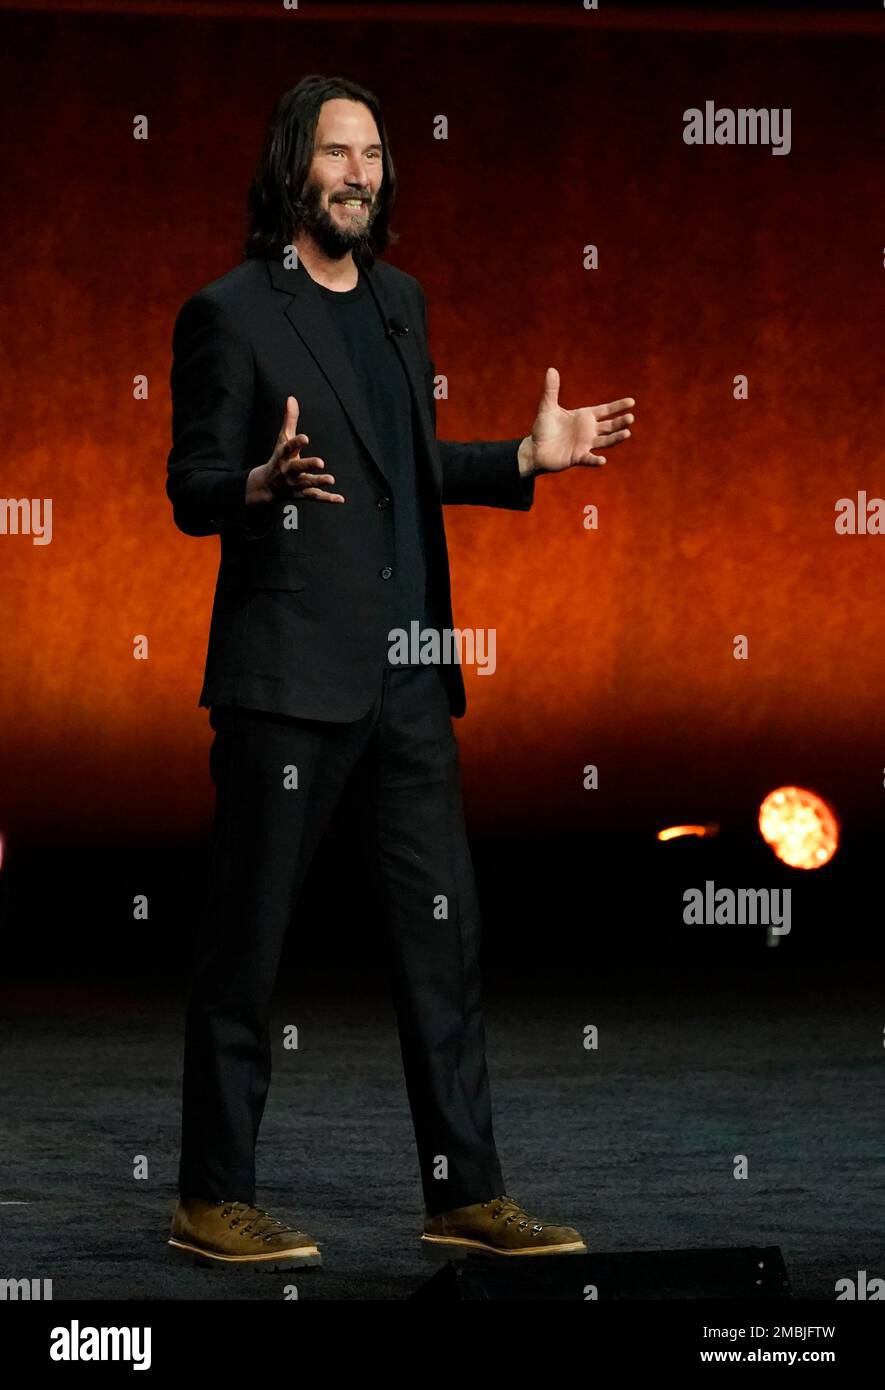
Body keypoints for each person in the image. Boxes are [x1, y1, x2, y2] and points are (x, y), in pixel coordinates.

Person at [165, 74, 635, 1271]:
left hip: (409, 681)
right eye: (338, 152)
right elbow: (189, 486)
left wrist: (525, 456)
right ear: (292, 169)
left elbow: (404, 462)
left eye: (374, 154)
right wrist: (257, 489)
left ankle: (464, 1192)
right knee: (247, 946)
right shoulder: (229, 311)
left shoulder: (399, 303)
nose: (362, 172)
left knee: (445, 947)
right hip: (285, 686)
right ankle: (212, 1198)